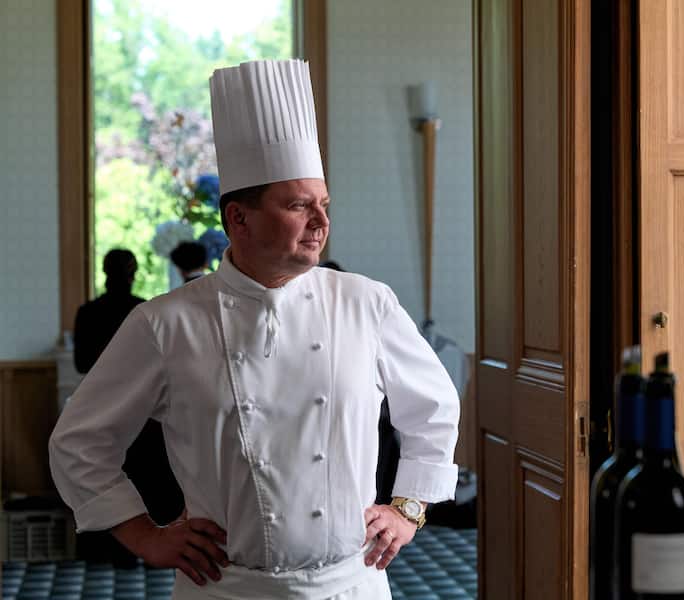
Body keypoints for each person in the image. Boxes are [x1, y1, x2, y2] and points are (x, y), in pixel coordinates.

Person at [49, 59, 459, 600]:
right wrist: (144, 535)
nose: (321, 222)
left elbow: (434, 408)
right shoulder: (165, 322)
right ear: (238, 219)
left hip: (351, 584)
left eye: (324, 204)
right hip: (225, 588)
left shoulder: (366, 303)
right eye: (298, 205)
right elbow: (79, 442)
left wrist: (408, 508)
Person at [71, 249, 185, 567]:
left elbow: (81, 364)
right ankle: (151, 544)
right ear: (133, 273)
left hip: (101, 408)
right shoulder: (144, 311)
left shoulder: (88, 312)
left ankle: (108, 549)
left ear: (104, 272)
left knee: (101, 469)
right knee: (146, 477)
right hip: (145, 414)